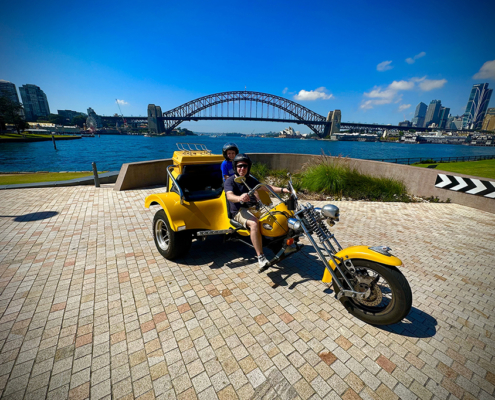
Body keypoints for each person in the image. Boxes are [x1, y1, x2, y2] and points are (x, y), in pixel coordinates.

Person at [224, 153, 290, 270]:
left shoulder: (250, 180)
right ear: (235, 167)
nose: (242, 169)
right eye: (239, 166)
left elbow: (266, 187)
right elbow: (229, 196)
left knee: (275, 216)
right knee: (254, 223)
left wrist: (284, 190)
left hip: (254, 208)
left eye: (245, 166)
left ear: (248, 167)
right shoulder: (230, 181)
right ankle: (261, 257)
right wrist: (239, 198)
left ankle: (279, 244)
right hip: (239, 210)